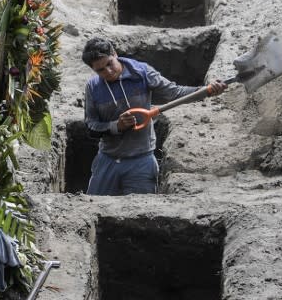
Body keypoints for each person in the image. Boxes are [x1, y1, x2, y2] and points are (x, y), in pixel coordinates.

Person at [82, 36, 227, 196]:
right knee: (93, 206)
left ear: (115, 54)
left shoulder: (141, 72)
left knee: (139, 216)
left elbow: (175, 93)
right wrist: (116, 126)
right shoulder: (93, 87)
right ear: (93, 70)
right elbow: (91, 127)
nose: (108, 71)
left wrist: (206, 90)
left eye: (109, 64)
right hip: (107, 160)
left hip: (141, 162)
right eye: (100, 70)